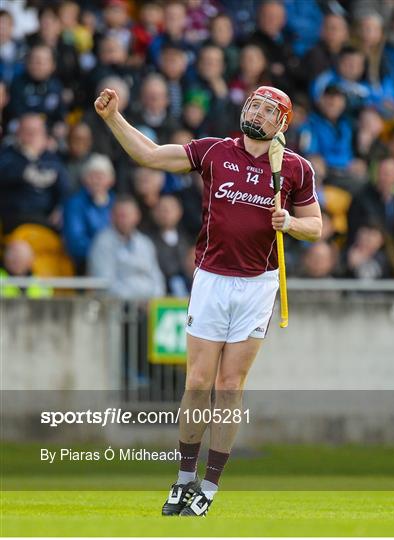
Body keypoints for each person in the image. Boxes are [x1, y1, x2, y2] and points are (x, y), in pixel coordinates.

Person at [94, 84, 322, 516]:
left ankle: (210, 486)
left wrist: (289, 221)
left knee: (230, 386)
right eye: (253, 102)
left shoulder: (295, 169)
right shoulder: (214, 151)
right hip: (212, 279)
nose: (255, 110)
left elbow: (316, 226)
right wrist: (113, 119)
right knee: (197, 383)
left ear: (282, 123)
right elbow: (150, 155)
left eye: (267, 108)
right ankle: (183, 480)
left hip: (258, 285)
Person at [88, 195, 165, 301]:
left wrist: (155, 300)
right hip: (116, 307)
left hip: (150, 305)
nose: (124, 220)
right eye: (120, 215)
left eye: (128, 215)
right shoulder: (102, 243)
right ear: (111, 217)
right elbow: (105, 283)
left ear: (137, 216)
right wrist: (136, 300)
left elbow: (157, 278)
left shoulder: (145, 243)